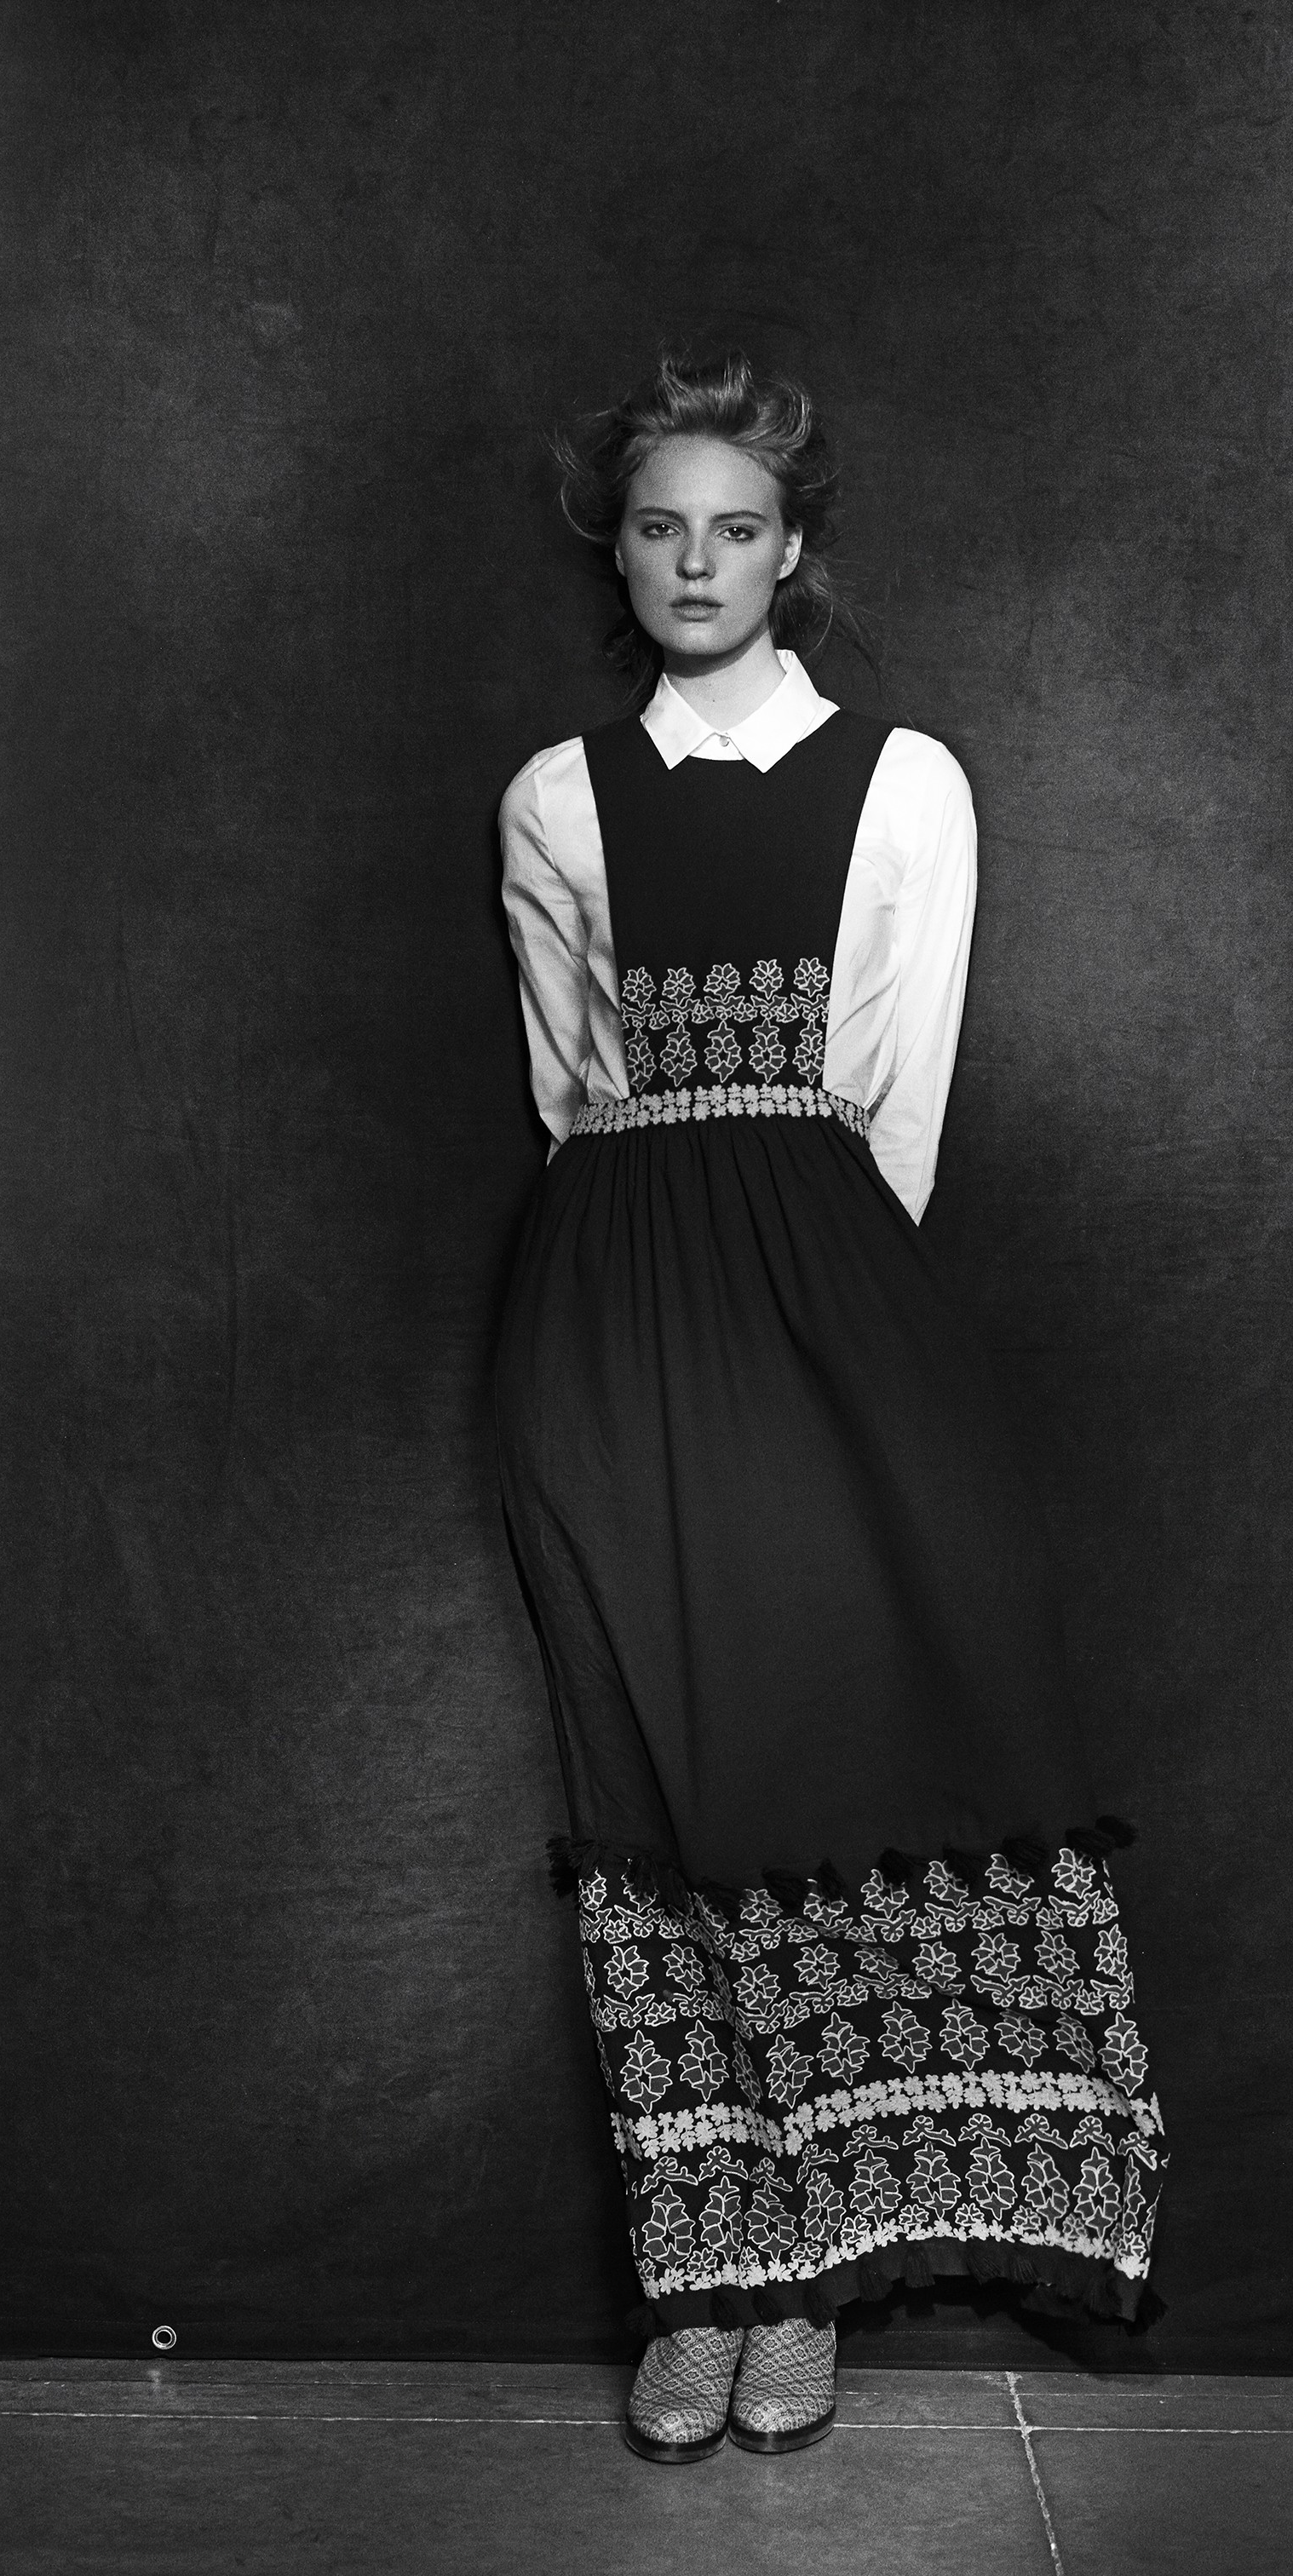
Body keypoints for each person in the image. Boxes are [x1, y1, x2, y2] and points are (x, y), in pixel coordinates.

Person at [492, 349, 1166, 2463]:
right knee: (652, 1780)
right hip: (605, 1313)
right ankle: (706, 2277)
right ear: (620, 552)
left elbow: (901, 1097)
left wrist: (808, 1318)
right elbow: (570, 1090)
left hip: (823, 1294)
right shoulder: (556, 796)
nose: (698, 563)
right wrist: (649, 1289)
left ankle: (814, 2282)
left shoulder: (904, 782)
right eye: (662, 527)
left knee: (815, 1753)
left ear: (794, 553)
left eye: (739, 529)